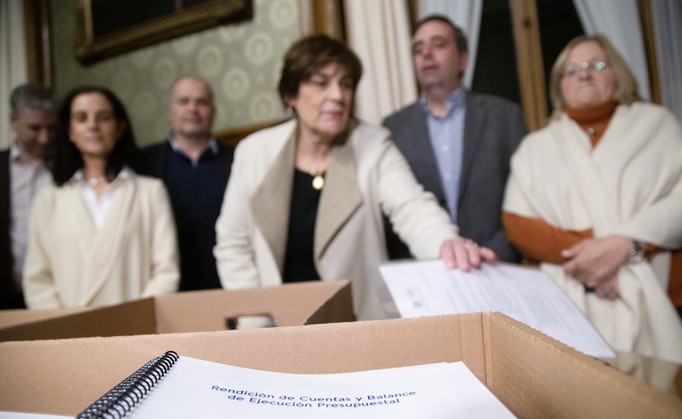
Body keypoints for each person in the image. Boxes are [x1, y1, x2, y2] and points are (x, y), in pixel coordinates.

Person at [215, 34, 495, 321]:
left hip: (355, 326)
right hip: (274, 330)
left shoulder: (374, 145)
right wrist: (256, 321)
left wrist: (447, 244)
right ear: (291, 95)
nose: (337, 95)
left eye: (345, 84)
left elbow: (413, 208)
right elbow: (233, 243)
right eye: (321, 83)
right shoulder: (254, 152)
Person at [502, 34, 682, 366]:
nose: (584, 74)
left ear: (618, 74)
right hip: (570, 303)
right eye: (572, 69)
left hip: (667, 294)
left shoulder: (657, 125)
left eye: (596, 64)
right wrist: (598, 256)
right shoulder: (536, 147)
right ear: (559, 85)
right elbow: (518, 224)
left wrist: (628, 245)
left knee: (673, 409)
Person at [383, 15, 527, 263]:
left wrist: (496, 253)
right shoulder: (393, 128)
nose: (426, 53)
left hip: (496, 266)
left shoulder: (505, 117)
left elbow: (528, 197)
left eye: (438, 44)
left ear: (463, 59)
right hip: (426, 273)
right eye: (418, 48)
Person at [23, 85, 179, 309]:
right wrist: (62, 329)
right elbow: (37, 280)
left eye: (103, 117)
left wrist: (136, 321)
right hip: (68, 334)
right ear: (69, 130)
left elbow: (166, 271)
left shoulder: (151, 192)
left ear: (120, 126)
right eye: (81, 118)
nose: (93, 126)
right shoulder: (48, 199)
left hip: (136, 330)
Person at [143, 76, 234, 291]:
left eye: (201, 102)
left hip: (227, 285)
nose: (192, 109)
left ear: (213, 111)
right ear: (170, 109)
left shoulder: (238, 159)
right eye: (184, 101)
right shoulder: (144, 162)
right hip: (169, 289)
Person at [1, 83, 57, 309]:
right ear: (13, 121)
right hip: (6, 293)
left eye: (51, 129)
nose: (44, 138)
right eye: (34, 128)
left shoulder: (68, 168)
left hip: (57, 295)